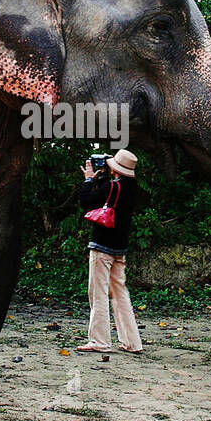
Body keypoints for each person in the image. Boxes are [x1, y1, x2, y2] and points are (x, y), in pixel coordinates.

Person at [76, 150, 143, 354]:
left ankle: (100, 341)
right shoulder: (132, 187)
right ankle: (132, 343)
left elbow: (85, 201)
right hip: (119, 248)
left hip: (102, 246)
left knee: (98, 294)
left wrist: (88, 180)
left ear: (114, 168)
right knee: (120, 295)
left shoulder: (110, 186)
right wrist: (104, 177)